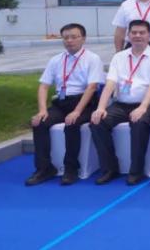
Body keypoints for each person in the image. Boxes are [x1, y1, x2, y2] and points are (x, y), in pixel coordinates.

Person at [89, 20, 150, 185]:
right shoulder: (119, 57)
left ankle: (136, 171)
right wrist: (101, 108)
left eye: (142, 33)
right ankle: (110, 168)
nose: (138, 36)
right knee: (97, 121)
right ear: (128, 35)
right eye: (134, 32)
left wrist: (143, 107)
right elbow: (110, 83)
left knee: (139, 122)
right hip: (121, 104)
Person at [26, 23, 105, 186]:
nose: (69, 40)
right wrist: (42, 110)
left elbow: (91, 87)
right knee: (39, 123)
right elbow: (44, 86)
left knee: (72, 123)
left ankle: (71, 168)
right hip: (61, 102)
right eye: (66, 37)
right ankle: (44, 168)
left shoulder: (92, 59)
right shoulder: (56, 60)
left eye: (74, 37)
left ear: (83, 38)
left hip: (84, 102)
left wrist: (77, 111)